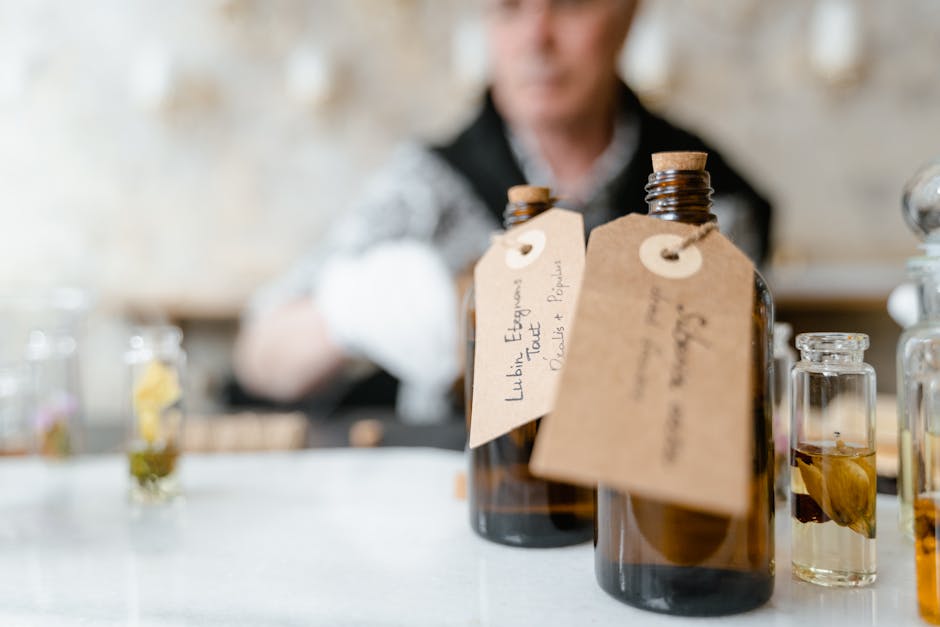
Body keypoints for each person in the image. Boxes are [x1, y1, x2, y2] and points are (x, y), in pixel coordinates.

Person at [233, 0, 772, 420]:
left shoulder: (706, 194)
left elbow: (726, 387)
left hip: (642, 505)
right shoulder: (424, 186)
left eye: (571, 4)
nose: (537, 39)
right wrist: (347, 313)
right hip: (445, 496)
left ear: (628, 14)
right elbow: (260, 357)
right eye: (511, 8)